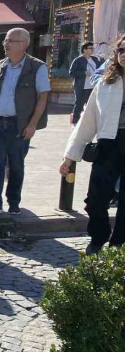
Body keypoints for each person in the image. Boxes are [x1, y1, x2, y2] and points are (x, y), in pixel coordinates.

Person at [61, 34, 125, 255]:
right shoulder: (107, 83)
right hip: (108, 144)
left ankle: (119, 247)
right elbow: (88, 120)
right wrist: (70, 156)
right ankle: (99, 235)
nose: (124, 55)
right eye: (121, 50)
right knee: (95, 200)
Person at [0, 28, 50, 216]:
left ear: (24, 44)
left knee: (16, 164)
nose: (6, 44)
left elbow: (42, 97)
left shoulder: (37, 67)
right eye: (5, 41)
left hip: (19, 124)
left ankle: (14, 201)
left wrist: (33, 124)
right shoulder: (1, 65)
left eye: (11, 41)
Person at [69, 42, 103, 126]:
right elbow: (71, 72)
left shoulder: (95, 59)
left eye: (92, 48)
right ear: (84, 50)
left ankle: (90, 123)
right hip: (81, 86)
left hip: (93, 86)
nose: (92, 50)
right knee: (79, 103)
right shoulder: (78, 60)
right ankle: (75, 122)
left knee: (92, 105)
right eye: (90, 48)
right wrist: (83, 73)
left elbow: (101, 69)